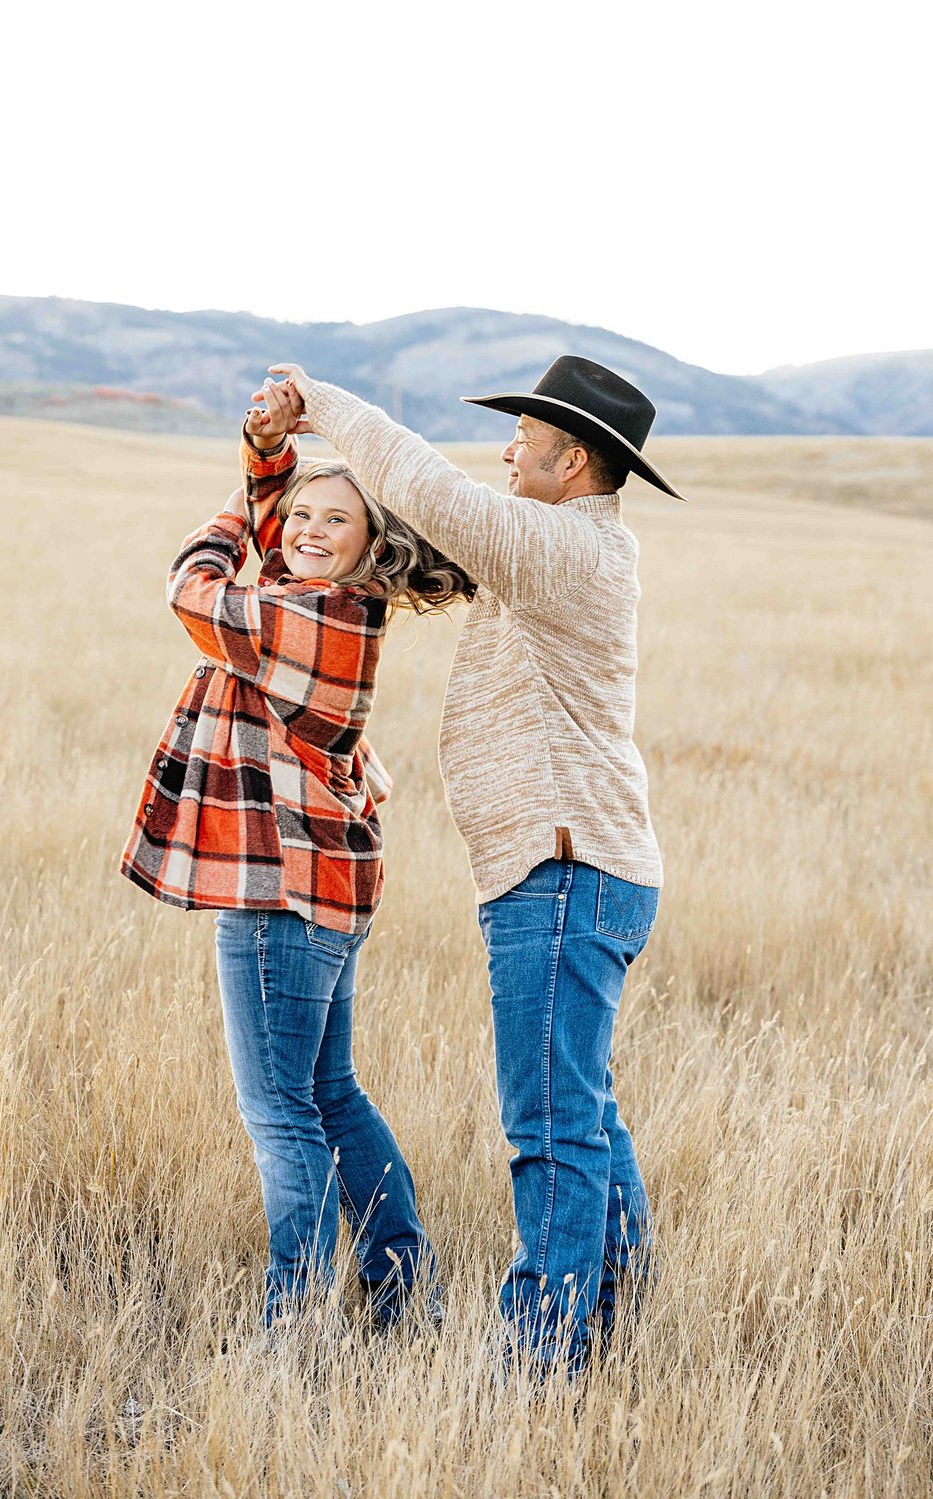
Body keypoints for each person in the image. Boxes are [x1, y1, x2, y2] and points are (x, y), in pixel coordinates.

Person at [265, 356, 687, 1374]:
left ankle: (544, 1354)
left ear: (571, 456)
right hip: (576, 866)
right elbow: (419, 551)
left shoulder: (562, 547)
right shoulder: (558, 547)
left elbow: (429, 488)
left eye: (524, 435)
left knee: (547, 1121)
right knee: (578, 1104)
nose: (507, 447)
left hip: (563, 864)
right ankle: (612, 1304)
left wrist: (319, 400)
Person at [120, 380, 472, 1334]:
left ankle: (300, 1320)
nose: (312, 529)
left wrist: (244, 504)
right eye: (304, 514)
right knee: (329, 1093)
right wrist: (266, 447)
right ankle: (404, 1292)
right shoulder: (320, 600)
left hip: (281, 889)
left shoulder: (303, 616)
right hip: (319, 884)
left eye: (338, 519)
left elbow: (190, 584)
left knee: (279, 1112)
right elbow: (276, 527)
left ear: (373, 543)